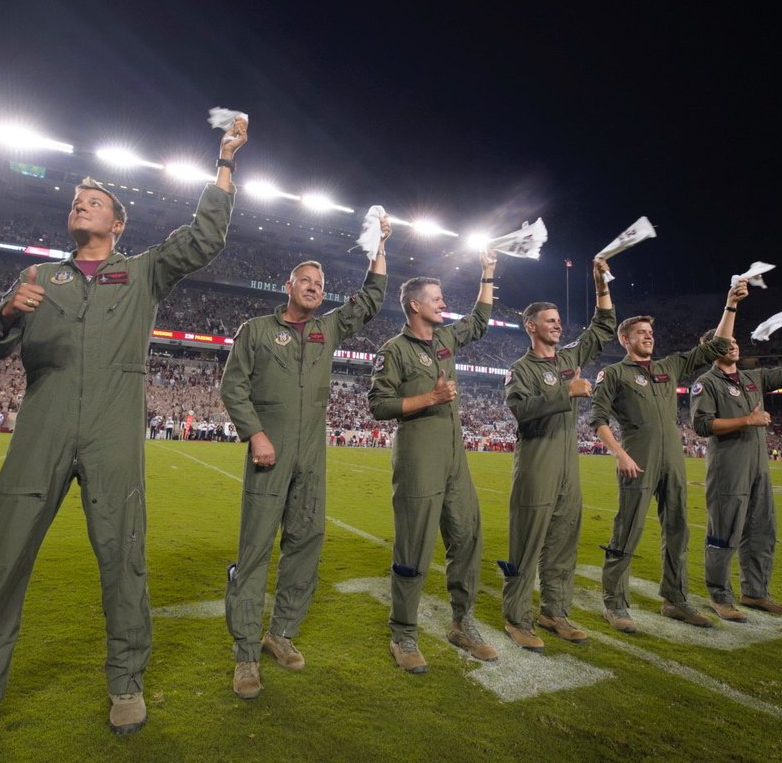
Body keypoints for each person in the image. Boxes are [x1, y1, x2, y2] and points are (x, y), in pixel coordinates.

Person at [0, 119, 246, 762]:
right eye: (76, 200)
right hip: (41, 425)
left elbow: (205, 238)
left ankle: (126, 683)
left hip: (112, 430)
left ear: (117, 223)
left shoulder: (144, 272)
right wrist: (8, 311)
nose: (81, 204)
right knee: (4, 564)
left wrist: (224, 162)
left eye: (94, 201)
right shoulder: (40, 277)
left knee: (122, 557)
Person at [220, 215, 390, 699]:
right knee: (254, 551)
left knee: (306, 542)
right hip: (268, 455)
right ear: (288, 285)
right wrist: (255, 434)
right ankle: (246, 655)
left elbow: (371, 300)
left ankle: (282, 633)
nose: (315, 288)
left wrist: (379, 246)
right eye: (307, 281)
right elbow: (233, 387)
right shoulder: (254, 331)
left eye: (321, 284)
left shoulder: (327, 330)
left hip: (312, 458)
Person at [588, 280, 747, 634]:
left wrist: (730, 305)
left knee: (678, 531)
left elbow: (717, 345)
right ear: (625, 340)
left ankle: (675, 599)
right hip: (637, 460)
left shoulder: (669, 366)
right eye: (640, 333)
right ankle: (615, 603)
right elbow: (596, 419)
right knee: (626, 530)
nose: (648, 336)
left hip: (673, 460)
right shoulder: (613, 374)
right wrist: (620, 454)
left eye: (650, 332)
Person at [368, 249, 499, 674]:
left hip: (454, 457)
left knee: (467, 537)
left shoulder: (445, 339)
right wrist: (430, 397)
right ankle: (403, 632)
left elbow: (478, 321)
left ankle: (463, 622)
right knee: (414, 547)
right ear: (415, 305)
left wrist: (488, 273)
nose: (444, 304)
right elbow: (378, 405)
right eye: (437, 298)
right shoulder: (393, 350)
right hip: (418, 458)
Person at [498, 259, 615, 652]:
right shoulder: (521, 369)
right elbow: (521, 410)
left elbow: (602, 328)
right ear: (531, 326)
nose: (557, 325)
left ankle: (555, 612)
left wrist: (600, 286)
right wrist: (565, 392)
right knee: (528, 543)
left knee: (564, 541)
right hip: (536, 462)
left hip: (569, 466)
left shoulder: (568, 359)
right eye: (549, 320)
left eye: (559, 320)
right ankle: (516, 617)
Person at [689, 312, 782, 621]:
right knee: (724, 534)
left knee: (762, 531)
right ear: (710, 348)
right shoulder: (705, 383)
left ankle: (756, 593)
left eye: (734, 340)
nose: (732, 344)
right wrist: (748, 420)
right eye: (725, 341)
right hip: (728, 470)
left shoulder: (751, 378)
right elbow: (702, 425)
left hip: (759, 469)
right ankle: (720, 596)